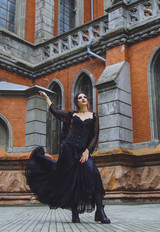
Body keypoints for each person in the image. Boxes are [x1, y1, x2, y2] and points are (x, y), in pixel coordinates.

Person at [25, 91, 111, 224]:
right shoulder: (72, 115)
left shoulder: (94, 116)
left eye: (84, 97)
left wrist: (87, 151)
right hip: (69, 150)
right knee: (72, 181)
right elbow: (54, 111)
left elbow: (95, 135)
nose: (83, 99)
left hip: (83, 151)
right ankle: (75, 213)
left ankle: (100, 211)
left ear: (87, 101)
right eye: (79, 98)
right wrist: (47, 98)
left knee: (93, 174)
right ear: (76, 102)